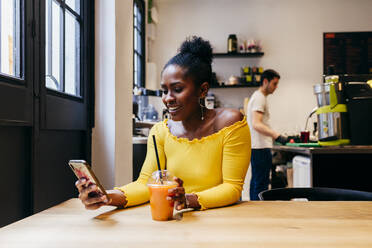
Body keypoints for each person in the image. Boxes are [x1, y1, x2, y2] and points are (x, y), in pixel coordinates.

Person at [75, 36, 251, 211]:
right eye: (164, 90)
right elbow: (145, 184)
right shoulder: (160, 131)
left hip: (221, 221)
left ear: (202, 90)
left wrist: (188, 200)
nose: (167, 98)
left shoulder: (230, 123)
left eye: (177, 89)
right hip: (177, 221)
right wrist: (107, 197)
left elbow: (232, 188)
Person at [246, 69, 287, 200]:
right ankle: (259, 215)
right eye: (274, 84)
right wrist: (277, 136)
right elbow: (256, 124)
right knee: (261, 184)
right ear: (265, 82)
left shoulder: (257, 96)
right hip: (260, 147)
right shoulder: (259, 98)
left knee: (257, 182)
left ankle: (254, 212)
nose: (276, 87)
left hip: (257, 146)